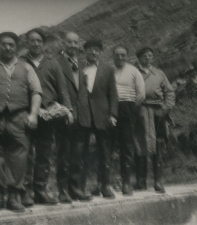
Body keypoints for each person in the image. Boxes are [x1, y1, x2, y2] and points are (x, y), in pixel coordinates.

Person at [0, 32, 42, 213]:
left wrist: (33, 115)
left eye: (11, 45)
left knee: (19, 157)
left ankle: (15, 195)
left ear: (16, 47)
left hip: (19, 118)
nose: (8, 48)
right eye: (4, 44)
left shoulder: (26, 68)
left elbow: (36, 92)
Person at [21, 28, 73, 206]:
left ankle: (40, 191)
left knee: (44, 154)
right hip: (27, 114)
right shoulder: (20, 63)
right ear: (27, 43)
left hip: (49, 115)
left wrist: (68, 110)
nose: (35, 44)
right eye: (32, 40)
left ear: (43, 44)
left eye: (39, 41)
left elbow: (62, 89)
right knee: (26, 154)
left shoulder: (52, 63)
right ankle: (25, 193)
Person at [70, 39, 118, 200]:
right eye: (90, 50)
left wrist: (112, 114)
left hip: (102, 116)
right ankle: (79, 188)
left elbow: (113, 94)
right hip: (82, 116)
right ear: (85, 52)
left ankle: (105, 186)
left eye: (96, 50)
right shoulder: (78, 69)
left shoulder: (108, 70)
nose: (93, 52)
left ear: (100, 52)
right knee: (79, 153)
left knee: (105, 152)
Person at [56, 32, 93, 202]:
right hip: (65, 115)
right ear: (63, 44)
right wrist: (64, 110)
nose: (72, 45)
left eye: (75, 43)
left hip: (81, 118)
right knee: (63, 155)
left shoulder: (82, 65)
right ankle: (63, 191)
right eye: (69, 42)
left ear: (79, 45)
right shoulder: (56, 62)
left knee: (77, 156)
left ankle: (75, 189)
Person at [134, 47, 175, 193]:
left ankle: (158, 181)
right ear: (138, 58)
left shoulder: (159, 73)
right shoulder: (134, 73)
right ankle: (141, 181)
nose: (148, 58)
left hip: (158, 112)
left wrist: (166, 108)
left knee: (158, 145)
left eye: (150, 56)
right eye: (144, 56)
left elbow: (169, 92)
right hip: (140, 112)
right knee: (140, 144)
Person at [112, 45, 145, 196]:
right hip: (110, 109)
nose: (120, 58)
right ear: (113, 56)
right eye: (117, 55)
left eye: (123, 55)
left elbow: (141, 94)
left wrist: (130, 110)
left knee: (126, 146)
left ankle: (126, 183)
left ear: (127, 56)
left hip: (127, 108)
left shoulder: (134, 71)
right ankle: (107, 183)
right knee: (109, 146)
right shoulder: (108, 70)